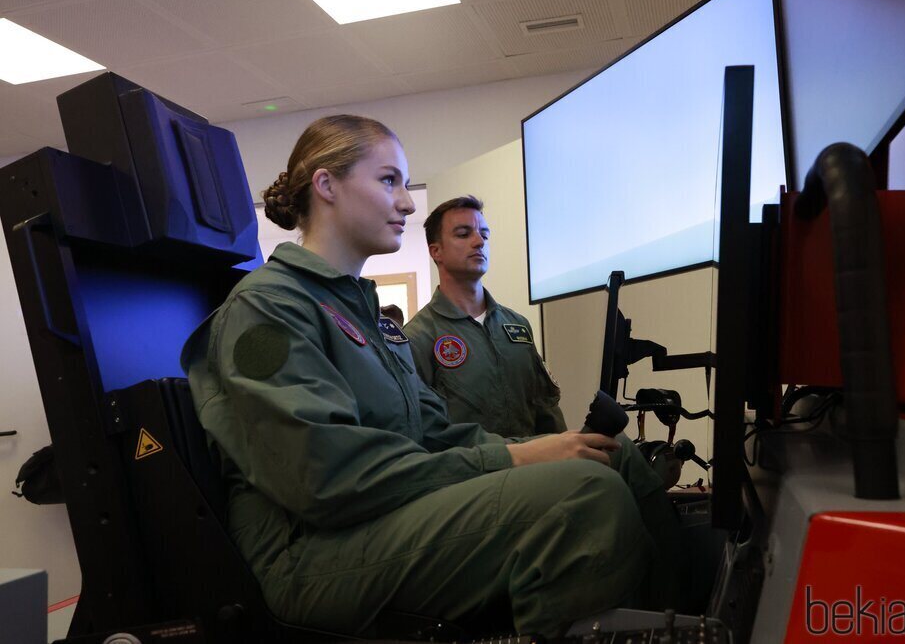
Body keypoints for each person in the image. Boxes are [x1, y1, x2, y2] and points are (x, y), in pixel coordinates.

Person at [180, 114, 685, 638]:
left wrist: (551, 443)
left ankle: (689, 622)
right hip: (313, 556)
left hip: (380, 520)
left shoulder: (369, 318)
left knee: (610, 454)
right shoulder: (268, 308)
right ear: (326, 185)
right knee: (584, 495)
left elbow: (436, 433)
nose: (406, 202)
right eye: (388, 180)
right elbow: (326, 479)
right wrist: (513, 456)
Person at [404, 196, 566, 437]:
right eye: (463, 234)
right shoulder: (418, 337)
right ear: (436, 251)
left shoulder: (516, 325)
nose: (479, 242)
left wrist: (567, 454)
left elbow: (546, 408)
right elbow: (424, 431)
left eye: (484, 235)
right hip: (474, 471)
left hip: (537, 465)